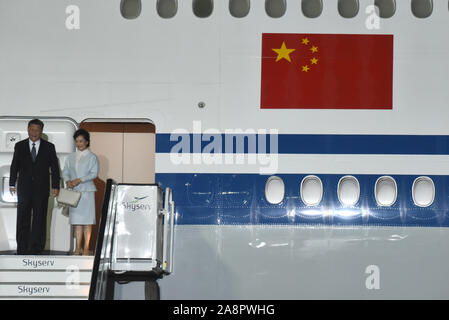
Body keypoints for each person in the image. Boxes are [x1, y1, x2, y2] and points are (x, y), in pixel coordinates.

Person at [9, 119, 60, 255]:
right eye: (32, 129)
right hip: (24, 188)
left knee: (40, 218)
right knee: (22, 217)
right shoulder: (19, 146)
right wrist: (11, 183)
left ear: (41, 131)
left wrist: (56, 185)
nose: (34, 132)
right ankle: (22, 247)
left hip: (41, 188)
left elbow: (54, 167)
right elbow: (15, 165)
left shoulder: (49, 147)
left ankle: (37, 248)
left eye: (37, 130)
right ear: (28, 129)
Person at [62, 129, 98, 256]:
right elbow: (65, 170)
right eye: (77, 141)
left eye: (81, 141)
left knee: (87, 221)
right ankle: (78, 248)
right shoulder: (70, 157)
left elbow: (94, 173)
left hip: (87, 191)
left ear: (87, 142)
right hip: (74, 192)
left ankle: (86, 248)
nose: (79, 144)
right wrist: (68, 180)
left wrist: (79, 180)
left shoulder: (92, 157)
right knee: (77, 221)